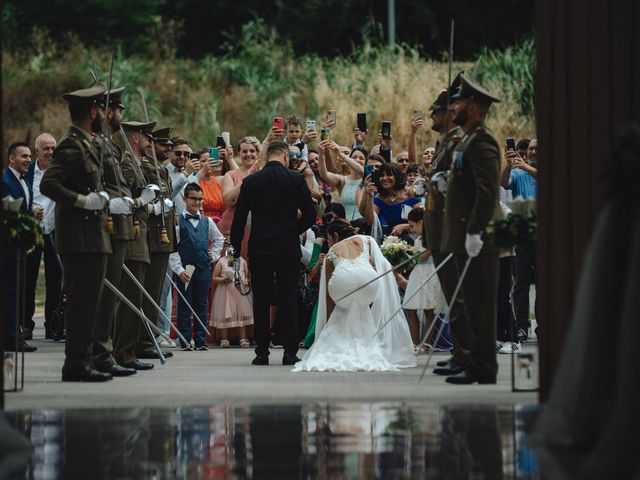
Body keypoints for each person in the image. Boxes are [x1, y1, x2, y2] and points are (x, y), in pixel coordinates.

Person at [40, 84, 113, 381]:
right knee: (81, 303)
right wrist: (82, 201)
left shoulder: (87, 143)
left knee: (90, 303)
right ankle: (76, 363)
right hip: (78, 237)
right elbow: (49, 183)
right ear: (93, 111)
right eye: (101, 110)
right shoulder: (72, 145)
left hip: (92, 236)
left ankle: (84, 360)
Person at [230, 140, 316, 366]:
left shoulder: (251, 181)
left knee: (261, 300)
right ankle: (289, 352)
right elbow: (310, 214)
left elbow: (239, 220)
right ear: (286, 157)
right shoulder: (296, 179)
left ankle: (261, 352)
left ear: (267, 156)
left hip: (260, 247)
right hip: (287, 247)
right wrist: (292, 230)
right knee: (288, 298)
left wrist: (236, 248)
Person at [440, 73, 502, 385]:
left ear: (473, 107)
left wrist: (476, 230)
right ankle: (475, 363)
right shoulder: (465, 139)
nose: (455, 107)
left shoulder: (482, 141)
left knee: (481, 308)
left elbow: (487, 191)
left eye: (461, 101)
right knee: (472, 304)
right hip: (462, 236)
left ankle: (484, 367)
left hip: (475, 237)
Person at [292, 219, 416, 372]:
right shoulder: (367, 240)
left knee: (343, 308)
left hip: (342, 283)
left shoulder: (333, 251)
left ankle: (337, 339)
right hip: (367, 281)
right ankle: (366, 343)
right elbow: (383, 265)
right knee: (361, 306)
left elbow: (329, 296)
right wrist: (400, 280)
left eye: (329, 240)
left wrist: (327, 322)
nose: (329, 244)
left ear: (335, 236)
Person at [91, 87, 153, 377]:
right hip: (114, 229)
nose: (116, 114)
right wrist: (139, 202)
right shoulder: (110, 150)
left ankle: (121, 352)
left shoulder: (113, 148)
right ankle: (113, 353)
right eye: (115, 109)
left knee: (128, 299)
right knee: (112, 299)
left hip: (129, 229)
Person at [422, 85, 475, 378]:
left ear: (449, 115)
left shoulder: (458, 142)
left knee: (459, 297)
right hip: (439, 231)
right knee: (452, 297)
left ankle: (466, 355)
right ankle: (460, 354)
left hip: (452, 230)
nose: (432, 114)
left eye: (437, 111)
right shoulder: (445, 142)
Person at [113, 121, 156, 371]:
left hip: (140, 236)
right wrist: (143, 201)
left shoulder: (137, 163)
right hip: (132, 237)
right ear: (135, 138)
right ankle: (123, 352)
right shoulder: (128, 163)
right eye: (146, 137)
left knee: (135, 298)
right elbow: (124, 198)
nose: (150, 142)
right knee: (130, 298)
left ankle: (127, 350)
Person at [169, 182, 224, 351]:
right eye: (193, 199)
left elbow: (219, 240)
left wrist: (213, 255)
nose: (197, 202)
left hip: (203, 268)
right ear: (185, 199)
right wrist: (179, 270)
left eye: (200, 199)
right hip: (185, 269)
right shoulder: (178, 221)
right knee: (184, 305)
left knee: (201, 304)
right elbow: (173, 249)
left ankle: (200, 340)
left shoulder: (207, 221)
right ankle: (185, 340)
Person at [26, 133, 62, 340]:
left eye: (53, 148)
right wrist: (30, 211)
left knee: (55, 280)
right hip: (32, 231)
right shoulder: (28, 173)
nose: (50, 152)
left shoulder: (60, 173)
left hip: (55, 232)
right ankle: (26, 324)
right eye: (46, 148)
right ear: (37, 150)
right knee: (28, 279)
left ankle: (53, 324)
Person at [501, 138, 538, 343]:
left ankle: (544, 325)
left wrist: (526, 166)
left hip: (545, 237)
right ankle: (522, 326)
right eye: (530, 149)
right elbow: (503, 182)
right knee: (521, 284)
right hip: (523, 236)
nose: (532, 152)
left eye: (536, 149)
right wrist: (508, 164)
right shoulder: (518, 172)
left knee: (544, 284)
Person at [3, 141, 37, 352]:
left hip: (21, 245)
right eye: (23, 156)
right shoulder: (5, 181)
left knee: (18, 290)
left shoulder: (25, 181)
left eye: (29, 156)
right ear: (11, 159)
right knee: (10, 291)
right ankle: (11, 338)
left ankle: (15, 335)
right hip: (8, 246)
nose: (28, 160)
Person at [403, 208, 446, 352]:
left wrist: (407, 254)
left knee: (429, 309)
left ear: (421, 222)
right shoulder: (418, 240)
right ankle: (415, 343)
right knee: (410, 307)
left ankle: (426, 344)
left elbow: (422, 256)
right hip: (417, 274)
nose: (411, 230)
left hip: (430, 273)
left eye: (412, 226)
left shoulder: (434, 238)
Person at [360, 161, 421, 237]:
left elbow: (422, 220)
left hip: (414, 236)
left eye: (389, 174)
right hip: (392, 238)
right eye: (382, 175)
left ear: (397, 176)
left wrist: (405, 226)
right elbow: (370, 221)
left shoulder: (410, 193)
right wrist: (369, 196)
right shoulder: (380, 198)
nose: (385, 178)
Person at [209, 243, 253, 348]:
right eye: (227, 247)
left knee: (241, 313)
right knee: (225, 313)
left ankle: (243, 337)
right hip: (225, 292)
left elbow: (247, 276)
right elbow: (214, 277)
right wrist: (223, 280)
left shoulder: (242, 261)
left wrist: (246, 281)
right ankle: (224, 338)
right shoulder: (221, 261)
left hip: (240, 291)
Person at [218, 136, 261, 237]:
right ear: (239, 154)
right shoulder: (230, 175)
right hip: (232, 226)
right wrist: (247, 180)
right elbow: (228, 200)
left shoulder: (264, 174)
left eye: (252, 151)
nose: (248, 154)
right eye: (244, 151)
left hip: (257, 227)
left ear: (257, 153)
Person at [316, 141, 366, 221]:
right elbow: (324, 174)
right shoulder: (342, 180)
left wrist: (340, 154)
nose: (357, 160)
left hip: (364, 225)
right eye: (354, 157)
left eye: (361, 158)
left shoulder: (368, 178)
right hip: (345, 226)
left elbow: (361, 171)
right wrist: (321, 154)